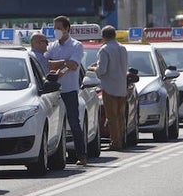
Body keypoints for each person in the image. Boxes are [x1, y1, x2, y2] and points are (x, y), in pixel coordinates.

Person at [46, 16, 87, 165]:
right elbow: (47, 63)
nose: (56, 31)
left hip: (69, 90)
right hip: (52, 92)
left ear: (67, 29)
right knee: (53, 123)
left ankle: (81, 155)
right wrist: (64, 62)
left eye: (59, 28)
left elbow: (73, 65)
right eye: (54, 28)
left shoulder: (76, 45)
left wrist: (60, 67)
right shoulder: (52, 46)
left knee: (74, 123)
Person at [91, 25, 129, 150]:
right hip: (122, 87)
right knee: (120, 116)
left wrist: (93, 68)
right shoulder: (122, 48)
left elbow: (102, 70)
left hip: (109, 87)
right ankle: (121, 140)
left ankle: (115, 142)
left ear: (103, 36)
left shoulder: (104, 49)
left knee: (112, 117)